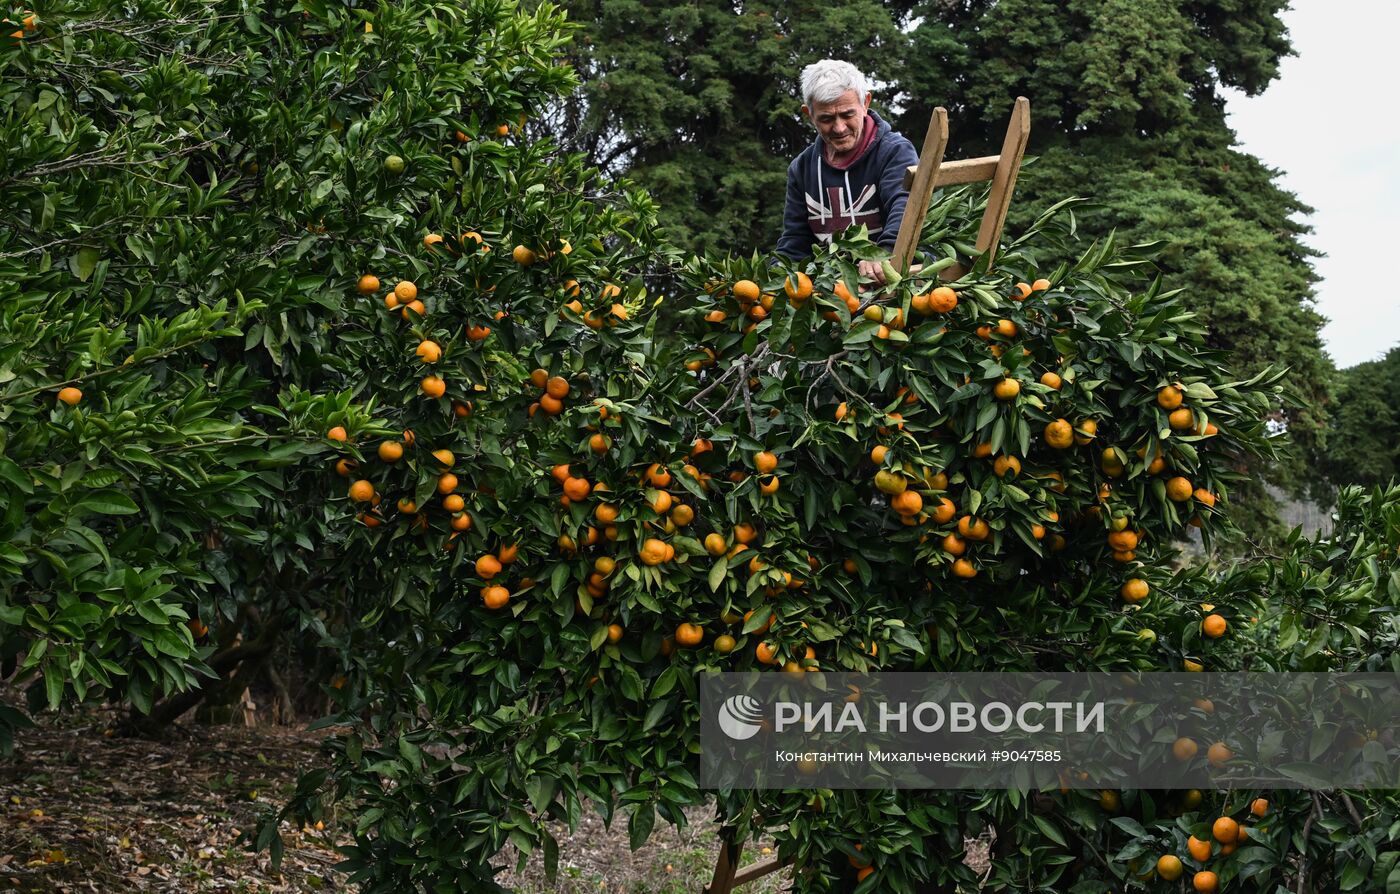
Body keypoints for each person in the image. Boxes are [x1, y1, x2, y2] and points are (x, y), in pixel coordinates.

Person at [775, 60, 920, 285]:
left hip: (891, 284)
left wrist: (884, 253)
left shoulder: (894, 152)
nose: (839, 128)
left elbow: (905, 206)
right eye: (826, 119)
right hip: (832, 294)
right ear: (809, 114)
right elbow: (795, 240)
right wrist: (772, 278)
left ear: (865, 103)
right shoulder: (802, 169)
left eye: (847, 114)